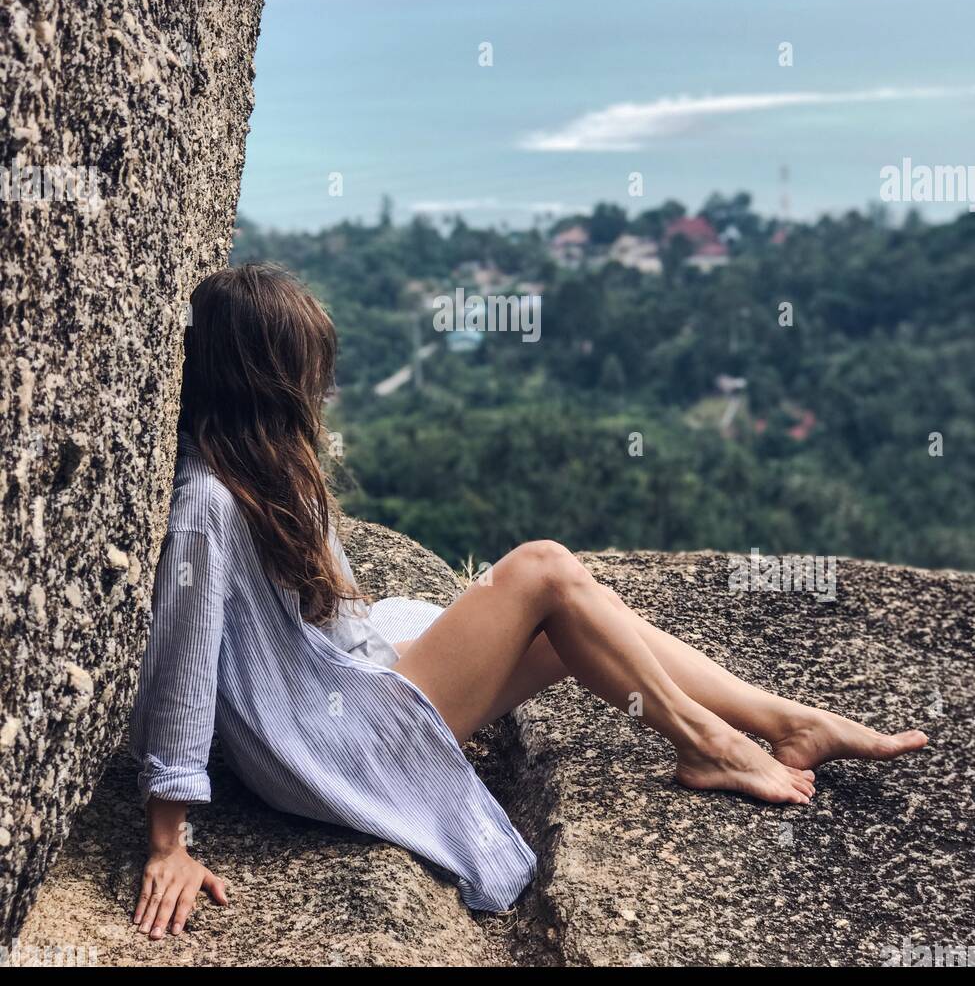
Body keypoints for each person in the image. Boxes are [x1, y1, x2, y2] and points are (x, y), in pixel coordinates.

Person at [130, 264, 927, 940]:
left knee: (575, 618)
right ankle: (705, 745)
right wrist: (171, 840)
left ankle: (784, 723)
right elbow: (182, 669)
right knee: (544, 568)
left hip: (351, 686)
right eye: (310, 371)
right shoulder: (209, 506)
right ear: (266, 380)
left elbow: (323, 627)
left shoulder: (264, 469)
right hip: (334, 742)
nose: (324, 388)